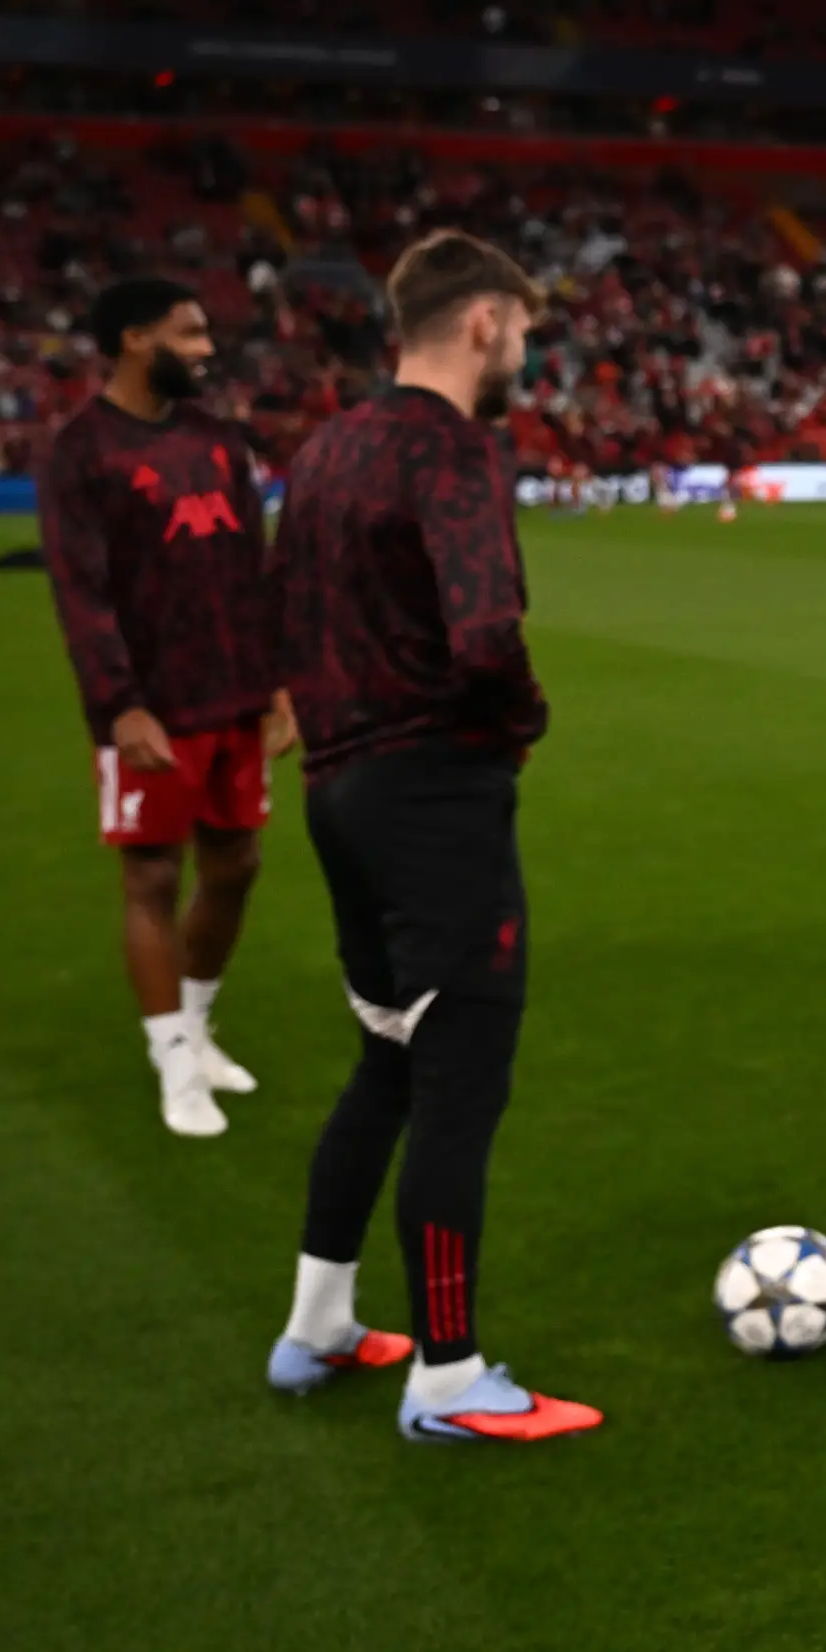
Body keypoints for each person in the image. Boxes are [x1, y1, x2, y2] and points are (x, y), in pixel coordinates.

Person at [270, 231, 599, 1439]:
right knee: (459, 1078)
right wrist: (523, 722)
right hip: (433, 795)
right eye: (523, 328)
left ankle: (316, 1324)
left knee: (389, 1062)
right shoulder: (451, 447)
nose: (526, 351)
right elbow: (486, 633)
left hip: (339, 792)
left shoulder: (326, 447)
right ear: (482, 322)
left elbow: (283, 615)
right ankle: (449, 1378)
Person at [38, 275, 298, 1139]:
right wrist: (120, 705)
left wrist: (279, 681)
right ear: (135, 339)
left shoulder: (219, 439)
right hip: (150, 707)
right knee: (152, 876)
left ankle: (195, 1025)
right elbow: (82, 595)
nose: (206, 350)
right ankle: (173, 1063)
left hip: (234, 694)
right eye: (189, 334)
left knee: (237, 866)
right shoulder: (82, 450)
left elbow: (257, 568)